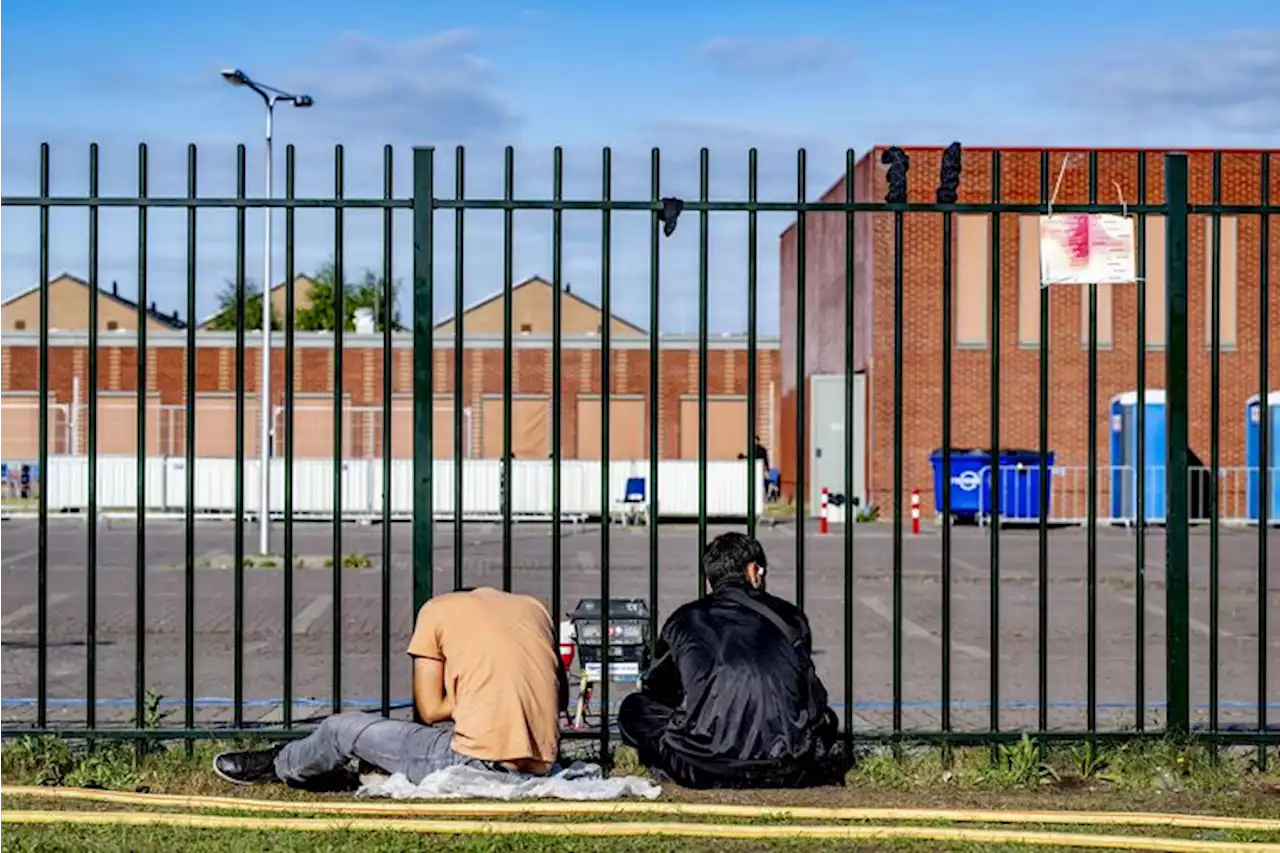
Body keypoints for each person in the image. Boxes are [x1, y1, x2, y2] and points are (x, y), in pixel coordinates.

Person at [213, 587, 569, 790]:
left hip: (476, 761)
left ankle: (278, 764)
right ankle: (350, 769)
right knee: (393, 743)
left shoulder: (437, 611)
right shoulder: (532, 607)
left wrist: (465, 696)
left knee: (340, 729)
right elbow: (561, 697)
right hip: (540, 762)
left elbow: (429, 709)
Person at [618, 533, 840, 789]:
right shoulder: (790, 617)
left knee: (633, 709)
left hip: (701, 766)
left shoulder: (685, 619)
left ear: (710, 579)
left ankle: (670, 763)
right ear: (752, 570)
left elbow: (657, 687)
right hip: (787, 763)